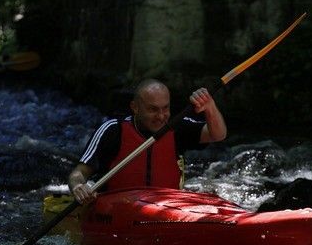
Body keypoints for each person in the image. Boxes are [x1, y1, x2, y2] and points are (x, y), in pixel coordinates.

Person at [68, 79, 227, 204]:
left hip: (167, 207)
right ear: (135, 107)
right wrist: (78, 187)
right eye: (153, 109)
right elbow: (79, 172)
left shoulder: (177, 129)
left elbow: (218, 135)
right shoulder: (112, 130)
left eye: (165, 108)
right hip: (118, 210)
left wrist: (209, 107)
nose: (161, 116)